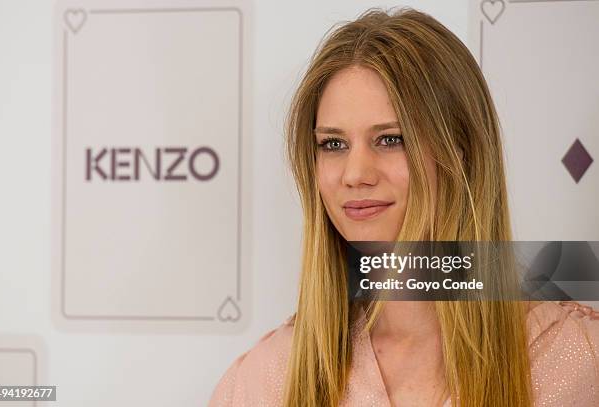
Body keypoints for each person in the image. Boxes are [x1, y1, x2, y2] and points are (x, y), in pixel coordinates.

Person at [209, 7, 599, 407]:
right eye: (333, 144)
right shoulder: (266, 380)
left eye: (390, 139)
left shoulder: (578, 362)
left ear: (461, 151)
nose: (355, 174)